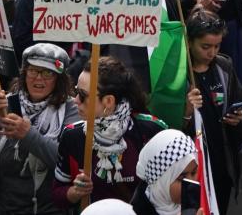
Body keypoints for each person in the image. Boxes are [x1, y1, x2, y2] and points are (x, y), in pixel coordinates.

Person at [0, 43, 79, 214]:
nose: (39, 78)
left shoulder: (72, 110)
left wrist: (28, 135)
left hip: (48, 210)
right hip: (5, 208)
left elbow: (68, 162)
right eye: (33, 70)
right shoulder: (8, 102)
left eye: (48, 73)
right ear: (24, 73)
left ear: (59, 79)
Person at [54, 56, 165, 207]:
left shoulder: (151, 130)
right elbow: (57, 194)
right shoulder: (73, 135)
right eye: (76, 92)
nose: (75, 100)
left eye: (82, 95)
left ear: (108, 101)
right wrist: (75, 192)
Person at [183, 11, 242, 213]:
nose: (212, 53)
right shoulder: (179, 75)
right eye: (205, 47)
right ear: (189, 42)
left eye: (217, 46)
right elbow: (168, 128)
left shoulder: (224, 66)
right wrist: (187, 111)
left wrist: (238, 120)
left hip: (222, 165)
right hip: (192, 170)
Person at [131, 129, 198, 215]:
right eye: (182, 178)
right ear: (162, 182)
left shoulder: (197, 203)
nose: (193, 182)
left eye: (194, 172)